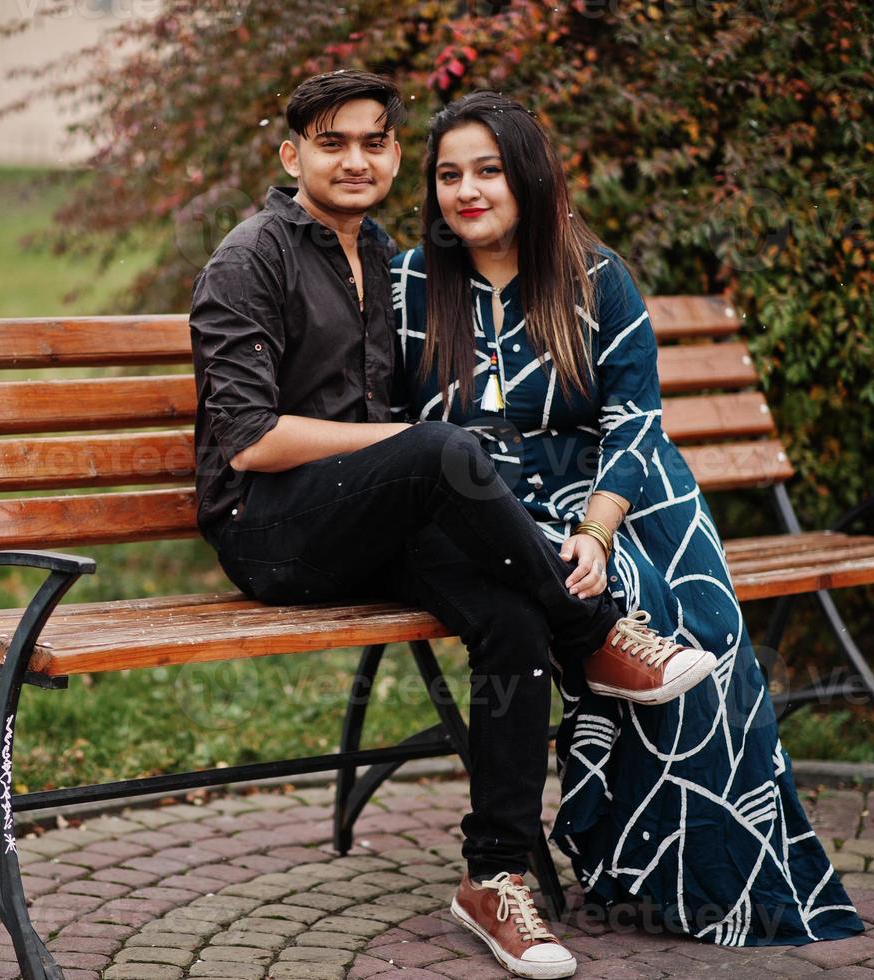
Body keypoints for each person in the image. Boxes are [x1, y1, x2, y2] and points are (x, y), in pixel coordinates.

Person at [190, 70, 717, 979]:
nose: (354, 160)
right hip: (272, 534)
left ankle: (494, 879)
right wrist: (412, 439)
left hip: (369, 522)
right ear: (291, 155)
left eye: (373, 143)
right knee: (441, 445)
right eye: (331, 143)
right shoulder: (251, 258)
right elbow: (245, 440)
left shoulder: (390, 258)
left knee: (508, 614)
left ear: (395, 156)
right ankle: (593, 634)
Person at [393, 90, 867, 953]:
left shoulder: (593, 276)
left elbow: (635, 419)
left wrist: (599, 526)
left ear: (528, 178)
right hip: (485, 504)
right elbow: (396, 433)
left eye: (488, 171)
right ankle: (618, 864)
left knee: (693, 628)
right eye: (449, 174)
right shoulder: (413, 284)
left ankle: (692, 875)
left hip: (622, 493)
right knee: (603, 615)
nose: (467, 190)